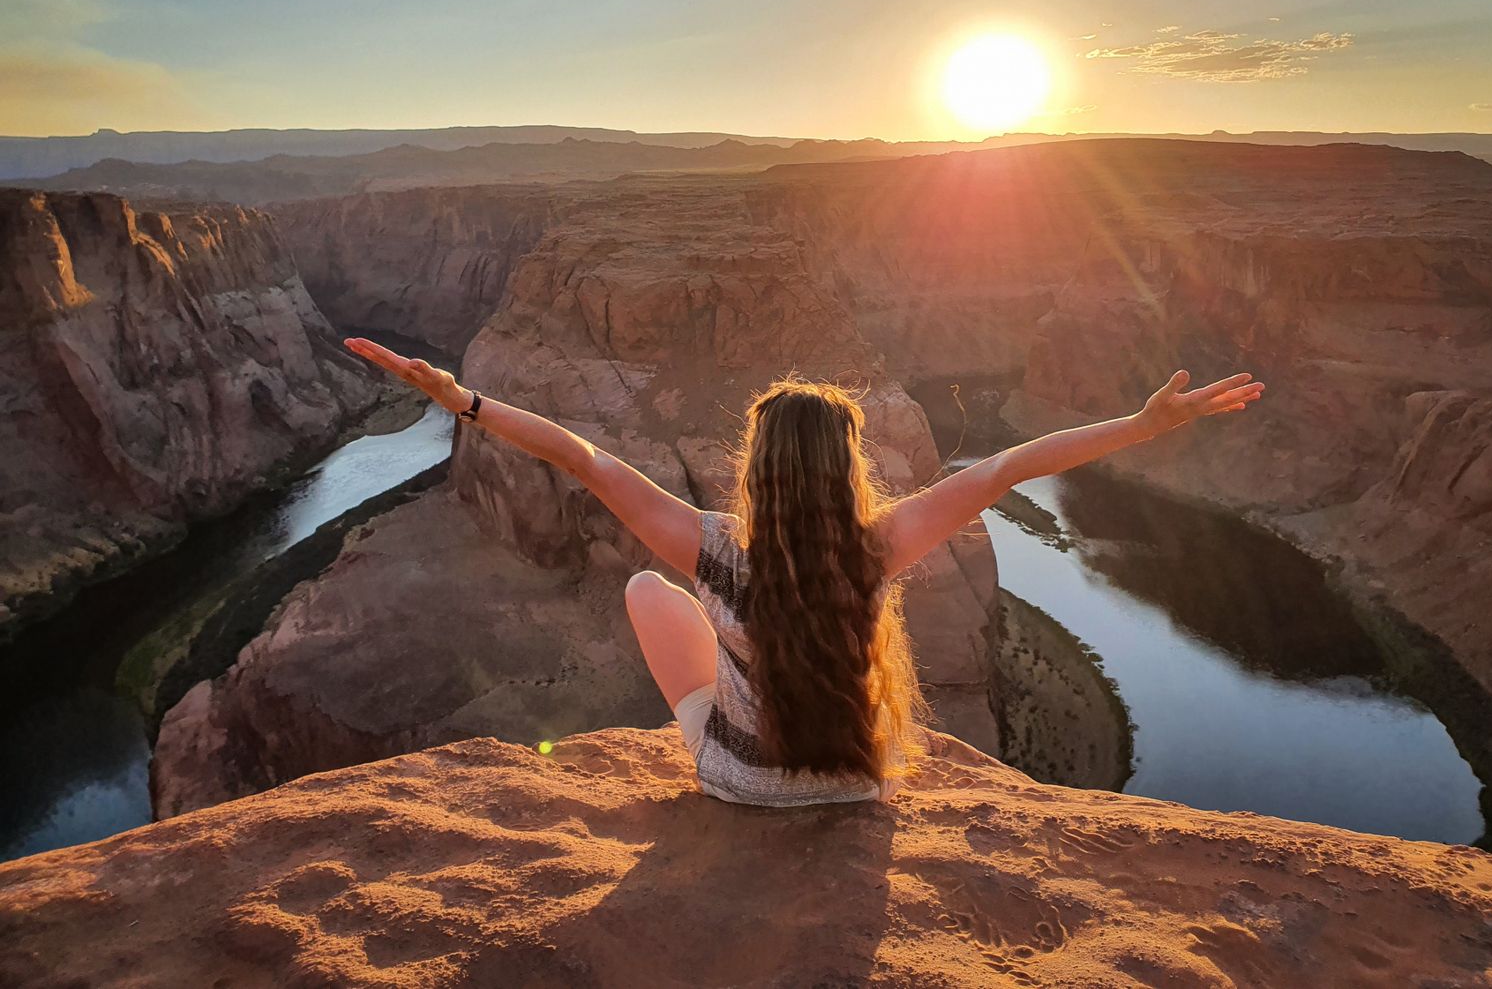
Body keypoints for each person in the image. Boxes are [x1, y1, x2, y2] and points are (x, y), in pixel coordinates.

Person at [343, 336, 1264, 806]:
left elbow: (585, 461)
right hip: (858, 781)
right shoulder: (879, 546)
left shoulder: (710, 543)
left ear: (758, 465)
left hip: (740, 785)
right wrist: (1142, 428)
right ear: (845, 467)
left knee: (642, 590)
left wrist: (462, 401)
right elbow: (1006, 469)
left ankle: (733, 699)